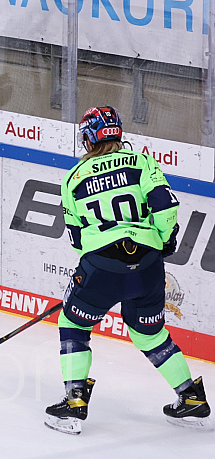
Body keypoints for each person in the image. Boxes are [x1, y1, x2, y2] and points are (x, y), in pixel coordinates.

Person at [45, 106, 212, 434]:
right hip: (147, 267)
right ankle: (190, 397)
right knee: (149, 333)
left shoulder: (73, 177)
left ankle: (74, 401)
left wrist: (95, 268)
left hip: (101, 268)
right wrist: (162, 242)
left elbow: (77, 239)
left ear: (88, 137)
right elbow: (166, 207)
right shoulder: (142, 161)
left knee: (73, 323)